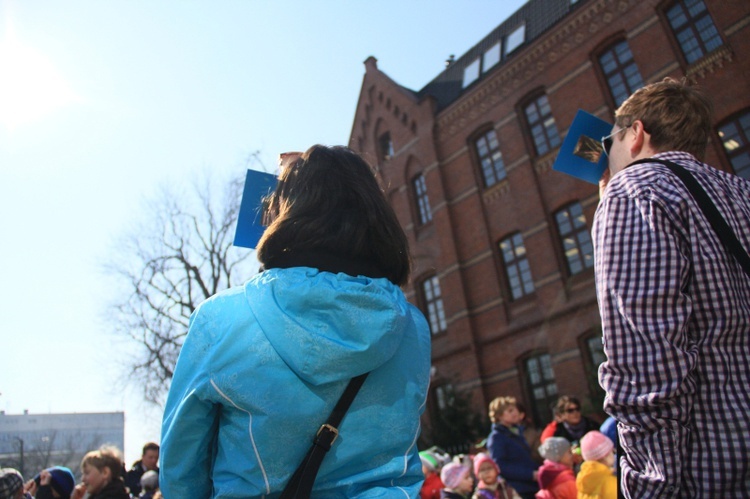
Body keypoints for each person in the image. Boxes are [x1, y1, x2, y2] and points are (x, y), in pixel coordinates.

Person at [160, 145, 431, 497]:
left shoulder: (221, 319)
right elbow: (404, 454)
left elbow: (181, 470)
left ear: (282, 211)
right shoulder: (412, 327)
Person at [594, 78, 750, 497]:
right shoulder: (740, 191)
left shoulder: (635, 191)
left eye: (612, 139)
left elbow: (647, 364)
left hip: (711, 467)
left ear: (637, 133)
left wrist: (649, 487)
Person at [486, 397, 539, 499]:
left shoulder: (515, 432)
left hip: (531, 487)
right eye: (510, 411)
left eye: (515, 409)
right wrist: (530, 474)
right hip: (518, 490)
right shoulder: (496, 438)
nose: (515, 413)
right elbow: (500, 466)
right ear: (499, 415)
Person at [575, 432, 616, 499]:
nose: (614, 453)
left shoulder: (583, 481)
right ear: (605, 456)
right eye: (612, 451)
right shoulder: (611, 484)